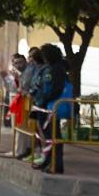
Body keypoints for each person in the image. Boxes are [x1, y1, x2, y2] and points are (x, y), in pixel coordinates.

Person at [33, 44, 70, 174]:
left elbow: (56, 89)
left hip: (51, 106)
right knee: (48, 136)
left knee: (54, 136)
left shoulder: (57, 69)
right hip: (46, 106)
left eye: (44, 55)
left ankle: (56, 164)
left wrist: (45, 100)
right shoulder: (51, 68)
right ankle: (48, 161)